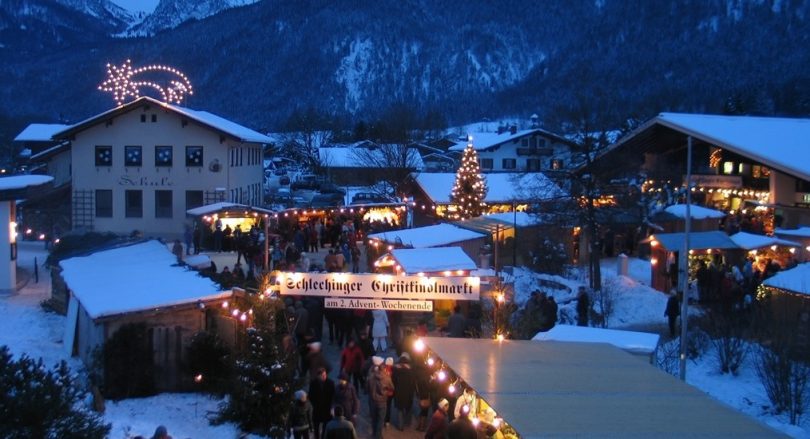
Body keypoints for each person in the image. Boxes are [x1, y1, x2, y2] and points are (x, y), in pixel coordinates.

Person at [367, 360, 394, 439]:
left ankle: (374, 433)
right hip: (382, 401)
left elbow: (366, 388)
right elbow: (392, 387)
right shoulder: (387, 378)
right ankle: (378, 436)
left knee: (374, 418)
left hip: (372, 400)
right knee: (381, 419)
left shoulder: (371, 377)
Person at [309, 367, 335, 439]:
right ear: (318, 376)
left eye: (325, 375)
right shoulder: (313, 383)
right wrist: (315, 404)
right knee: (316, 427)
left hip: (327, 408)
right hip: (317, 409)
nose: (324, 376)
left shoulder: (330, 383)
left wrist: (331, 406)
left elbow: (333, 395)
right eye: (322, 375)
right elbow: (310, 395)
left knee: (326, 426)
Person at [392, 353, 416, 431]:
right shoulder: (411, 371)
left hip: (398, 392)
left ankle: (400, 426)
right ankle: (407, 422)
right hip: (408, 393)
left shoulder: (396, 369)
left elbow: (393, 381)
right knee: (408, 408)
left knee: (400, 409)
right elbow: (412, 383)